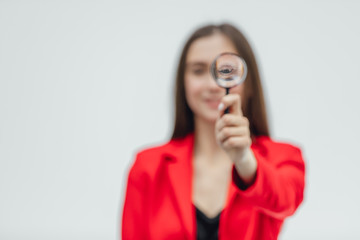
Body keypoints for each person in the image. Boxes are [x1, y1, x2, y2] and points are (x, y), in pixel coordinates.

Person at [121, 23, 305, 240]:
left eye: (226, 71)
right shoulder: (148, 167)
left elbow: (285, 202)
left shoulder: (282, 158)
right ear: (183, 82)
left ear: (249, 81)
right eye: (198, 70)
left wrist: (246, 161)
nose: (213, 84)